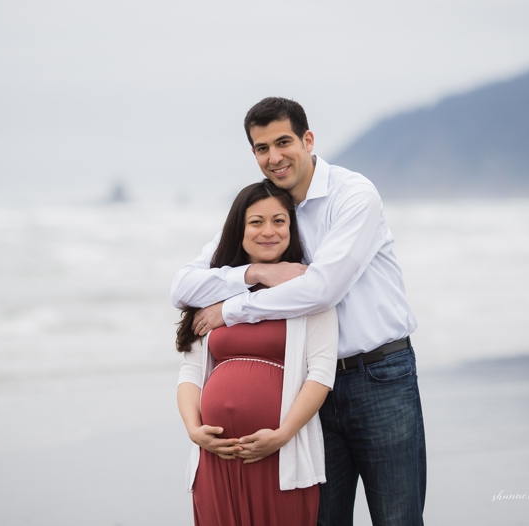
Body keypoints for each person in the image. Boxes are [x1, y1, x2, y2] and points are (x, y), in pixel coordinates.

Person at [172, 97, 425, 525]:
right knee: (322, 519)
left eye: (283, 142)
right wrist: (256, 272)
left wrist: (231, 310)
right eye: (261, 148)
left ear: (308, 140)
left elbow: (322, 290)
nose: (274, 157)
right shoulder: (270, 209)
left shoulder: (353, 195)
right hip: (304, 390)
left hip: (379, 377)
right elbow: (183, 287)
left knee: (397, 517)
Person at [177, 180, 337, 525]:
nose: (268, 231)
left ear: (292, 229)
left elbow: (321, 374)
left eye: (279, 221)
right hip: (215, 457)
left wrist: (282, 435)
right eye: (256, 222)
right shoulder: (214, 290)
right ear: (239, 229)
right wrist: (194, 429)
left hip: (280, 455)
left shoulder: (310, 289)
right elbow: (190, 371)